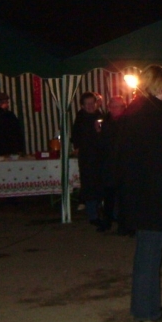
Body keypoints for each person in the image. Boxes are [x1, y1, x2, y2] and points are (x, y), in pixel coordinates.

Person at [114, 66, 162, 322]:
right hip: (155, 192)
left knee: (145, 251)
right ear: (154, 85)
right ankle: (148, 310)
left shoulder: (133, 111)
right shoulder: (158, 114)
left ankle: (142, 306)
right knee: (151, 251)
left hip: (137, 190)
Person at [72, 92, 104, 226]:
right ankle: (93, 215)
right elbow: (76, 138)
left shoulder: (100, 115)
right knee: (90, 185)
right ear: (83, 106)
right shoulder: (81, 118)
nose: (91, 106)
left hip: (100, 157)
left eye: (92, 103)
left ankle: (99, 212)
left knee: (100, 184)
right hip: (88, 158)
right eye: (88, 104)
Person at [97, 95, 126, 233]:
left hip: (122, 164)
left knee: (123, 198)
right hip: (109, 164)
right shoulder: (105, 122)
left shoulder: (126, 122)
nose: (115, 109)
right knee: (108, 196)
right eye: (112, 106)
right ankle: (107, 222)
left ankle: (123, 225)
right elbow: (101, 144)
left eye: (118, 106)